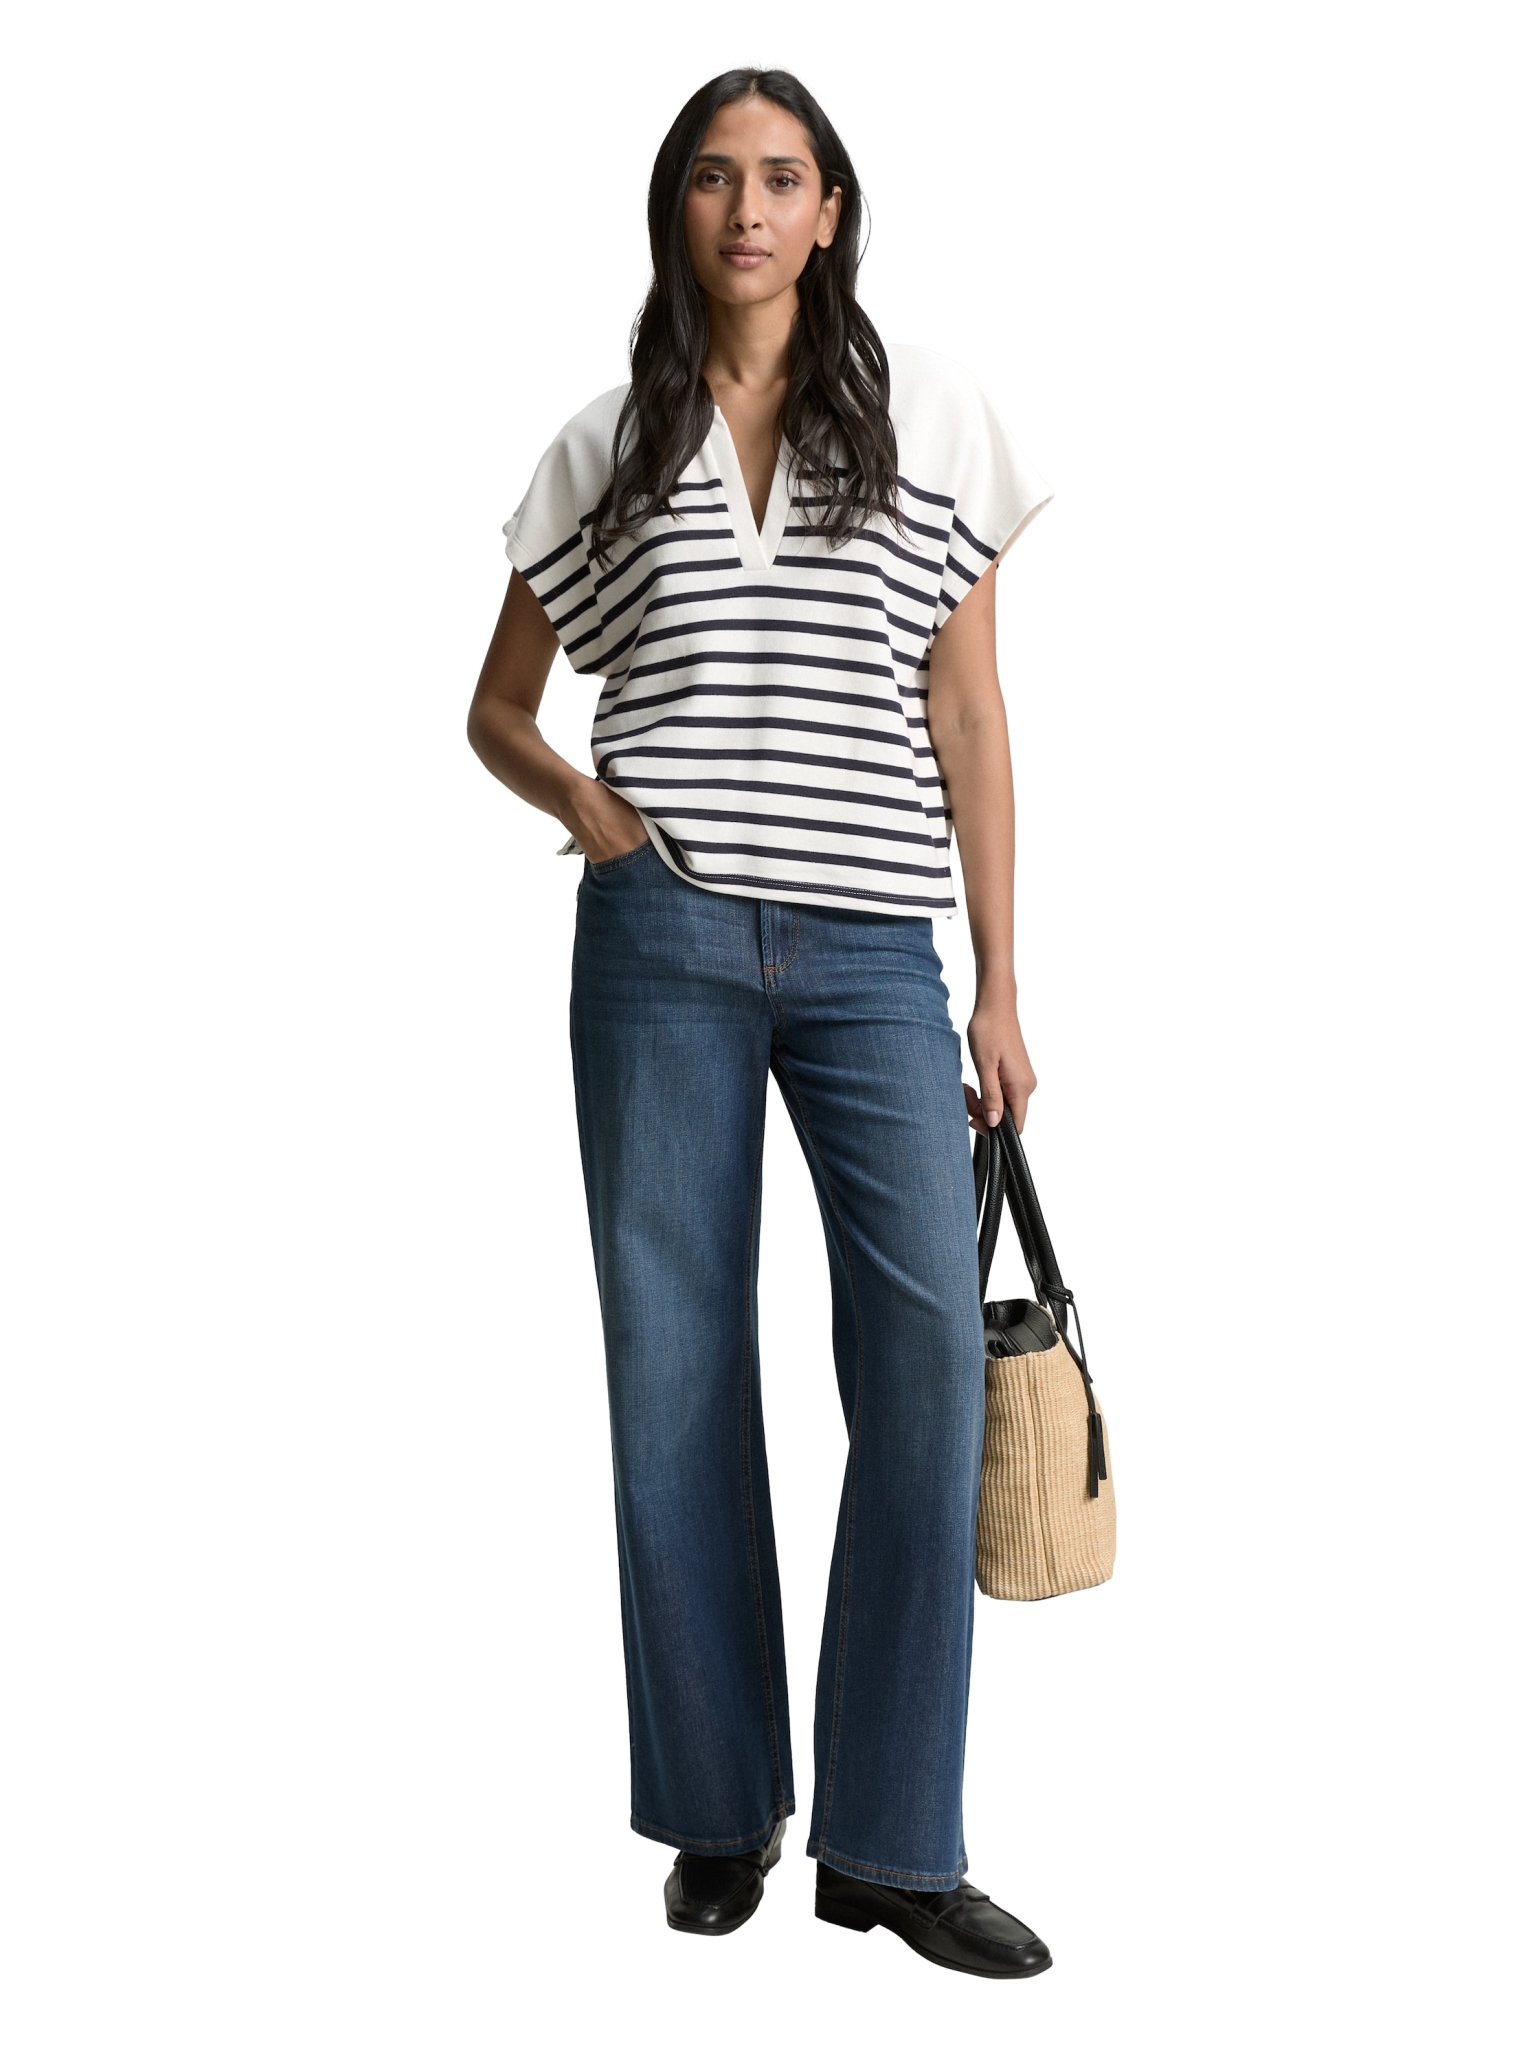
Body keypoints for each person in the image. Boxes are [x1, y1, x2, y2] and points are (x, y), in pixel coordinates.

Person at [468, 68, 1055, 1979]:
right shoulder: (605, 444)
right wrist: (588, 809)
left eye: (781, 177)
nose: (747, 209)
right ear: (679, 209)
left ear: (830, 211)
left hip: (878, 954)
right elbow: (495, 707)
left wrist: (1001, 979)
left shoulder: (929, 420)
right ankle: (723, 1814)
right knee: (676, 1373)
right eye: (716, 177)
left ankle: (892, 1844)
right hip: (662, 943)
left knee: (924, 1369)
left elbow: (968, 712)